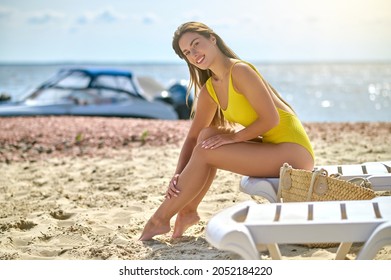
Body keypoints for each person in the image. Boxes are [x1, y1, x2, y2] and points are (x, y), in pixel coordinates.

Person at [139, 22, 315, 241]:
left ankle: (159, 220)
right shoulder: (210, 89)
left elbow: (271, 119)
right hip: (274, 149)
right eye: (187, 52)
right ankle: (187, 210)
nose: (194, 54)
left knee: (207, 150)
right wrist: (178, 176)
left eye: (196, 44)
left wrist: (233, 138)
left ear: (212, 39)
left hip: (294, 154)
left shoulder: (240, 71)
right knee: (207, 137)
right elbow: (193, 136)